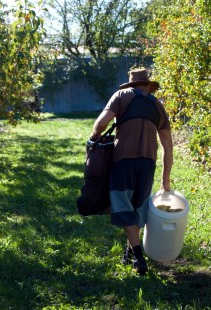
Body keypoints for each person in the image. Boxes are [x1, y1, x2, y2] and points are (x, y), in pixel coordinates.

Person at [89, 68, 173, 275]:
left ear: (131, 84)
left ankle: (138, 256)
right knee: (137, 207)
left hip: (123, 161)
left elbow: (101, 123)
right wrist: (165, 181)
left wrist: (94, 137)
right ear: (148, 85)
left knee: (123, 207)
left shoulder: (121, 96)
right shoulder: (157, 105)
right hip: (147, 164)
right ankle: (129, 252)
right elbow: (168, 147)